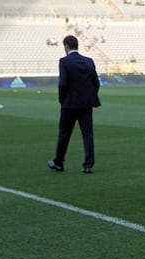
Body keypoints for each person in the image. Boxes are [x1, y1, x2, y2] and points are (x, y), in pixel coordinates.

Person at [48, 35, 101, 173]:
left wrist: (62, 100)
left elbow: (62, 84)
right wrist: (90, 96)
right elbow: (96, 83)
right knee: (88, 134)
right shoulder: (89, 61)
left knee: (64, 134)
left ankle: (59, 163)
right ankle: (88, 165)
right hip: (86, 104)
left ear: (66, 46)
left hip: (69, 104)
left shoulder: (65, 62)